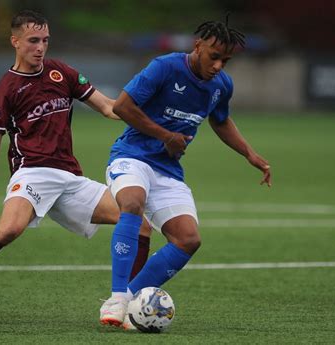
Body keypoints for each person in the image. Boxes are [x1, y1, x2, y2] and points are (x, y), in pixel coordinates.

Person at [0, 9, 151, 321]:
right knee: (10, 228)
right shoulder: (6, 89)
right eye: (33, 41)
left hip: (69, 176)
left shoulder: (62, 73)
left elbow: (109, 108)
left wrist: (148, 116)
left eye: (45, 40)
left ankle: (125, 303)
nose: (40, 47)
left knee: (140, 223)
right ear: (14, 41)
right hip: (32, 173)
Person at [99, 17, 272, 327]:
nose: (219, 66)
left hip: (168, 170)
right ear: (197, 47)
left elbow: (220, 121)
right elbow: (122, 106)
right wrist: (165, 135)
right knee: (133, 204)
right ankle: (115, 298)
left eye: (225, 60)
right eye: (214, 57)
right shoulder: (164, 67)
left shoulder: (221, 85)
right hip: (132, 156)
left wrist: (250, 154)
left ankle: (129, 297)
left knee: (188, 239)